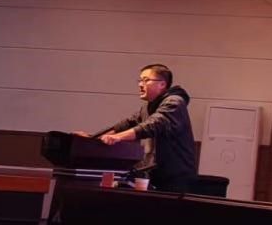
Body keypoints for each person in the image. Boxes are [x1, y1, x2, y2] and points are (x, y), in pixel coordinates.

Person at [76, 64, 197, 193]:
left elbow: (153, 125)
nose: (140, 84)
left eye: (146, 80)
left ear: (162, 84)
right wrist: (92, 139)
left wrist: (117, 138)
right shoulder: (147, 107)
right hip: (155, 175)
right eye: (140, 80)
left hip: (175, 179)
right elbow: (126, 124)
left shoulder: (174, 102)